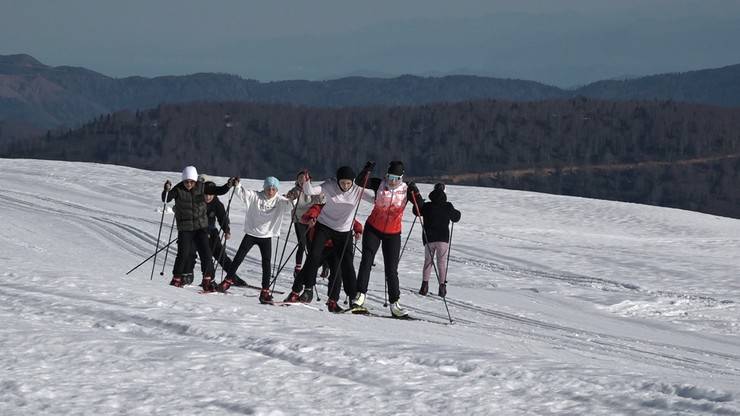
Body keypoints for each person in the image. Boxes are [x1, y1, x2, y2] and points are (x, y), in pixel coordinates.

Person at [284, 165, 373, 305]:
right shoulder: (329, 185)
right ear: (337, 180)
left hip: (344, 231)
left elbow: (376, 199)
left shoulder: (357, 190)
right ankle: (308, 289)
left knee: (347, 264)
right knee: (314, 255)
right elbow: (310, 191)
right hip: (324, 226)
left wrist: (378, 183)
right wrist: (306, 181)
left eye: (348, 183)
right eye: (342, 182)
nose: (345, 186)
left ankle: (352, 297)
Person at [354, 161, 422, 317]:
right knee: (366, 261)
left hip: (393, 233)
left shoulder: (406, 190)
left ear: (401, 177)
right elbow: (360, 182)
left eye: (396, 178)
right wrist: (366, 170)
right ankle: (360, 295)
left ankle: (395, 303)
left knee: (391, 269)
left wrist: (416, 193)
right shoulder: (379, 184)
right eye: (390, 176)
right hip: (373, 228)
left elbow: (420, 210)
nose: (392, 181)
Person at [218, 176, 296, 302]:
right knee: (238, 258)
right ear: (264, 188)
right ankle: (227, 281)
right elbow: (243, 193)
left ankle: (265, 291)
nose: (270, 191)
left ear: (276, 190)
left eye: (273, 189)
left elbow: (290, 205)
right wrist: (237, 185)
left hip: (266, 236)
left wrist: (293, 198)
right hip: (251, 234)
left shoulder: (280, 201)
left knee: (266, 264)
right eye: (268, 188)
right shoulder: (255, 196)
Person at [162, 166, 233, 291]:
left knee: (206, 253)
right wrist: (166, 189)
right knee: (183, 253)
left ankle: (208, 279)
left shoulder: (202, 186)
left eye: (192, 182)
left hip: (201, 228)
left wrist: (228, 185)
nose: (189, 184)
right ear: (183, 180)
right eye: (186, 181)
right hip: (185, 228)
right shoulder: (178, 189)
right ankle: (177, 278)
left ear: (195, 180)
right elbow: (166, 198)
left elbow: (219, 190)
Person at [300, 202, 363, 312]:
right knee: (308, 268)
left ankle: (332, 301)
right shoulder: (320, 208)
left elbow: (352, 221)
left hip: (334, 248)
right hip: (320, 246)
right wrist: (311, 218)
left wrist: (358, 230)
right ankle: (297, 291)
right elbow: (309, 214)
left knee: (337, 274)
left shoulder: (341, 212)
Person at [182, 181, 247, 287]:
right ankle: (189, 275)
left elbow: (222, 218)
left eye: (210, 194)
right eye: (206, 194)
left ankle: (232, 277)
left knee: (221, 255)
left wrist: (227, 230)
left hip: (211, 233)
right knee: (190, 253)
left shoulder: (217, 203)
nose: (208, 197)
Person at [419, 183, 461, 297]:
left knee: (428, 262)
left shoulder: (427, 206)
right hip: (443, 238)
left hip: (429, 238)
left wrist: (419, 203)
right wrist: (455, 212)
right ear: (444, 192)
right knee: (441, 263)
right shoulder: (448, 206)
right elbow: (456, 218)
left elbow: (416, 212)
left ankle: (424, 286)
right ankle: (442, 287)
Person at [287, 171, 325, 278]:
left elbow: (320, 202)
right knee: (302, 244)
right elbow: (290, 198)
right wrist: (288, 197)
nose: (301, 181)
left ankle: (311, 267)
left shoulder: (313, 191)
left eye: (304, 179)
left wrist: (322, 196)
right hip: (299, 220)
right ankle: (298, 268)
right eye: (300, 178)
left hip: (311, 221)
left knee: (312, 246)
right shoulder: (295, 191)